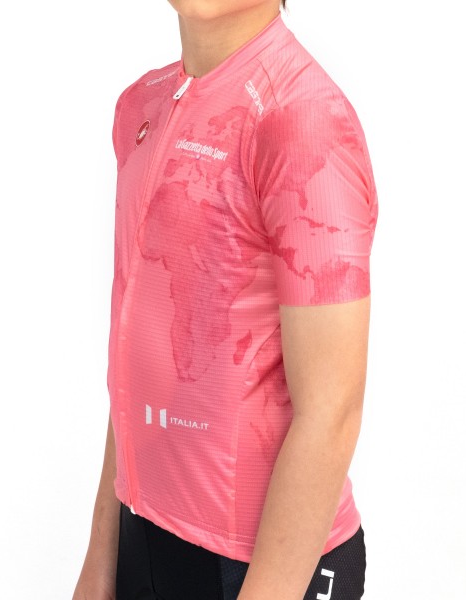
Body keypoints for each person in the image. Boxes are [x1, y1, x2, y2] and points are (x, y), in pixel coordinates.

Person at [73, 0, 378, 598]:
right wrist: (100, 562)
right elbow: (141, 363)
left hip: (262, 562)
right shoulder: (142, 106)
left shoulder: (304, 119)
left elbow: (332, 409)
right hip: (145, 534)